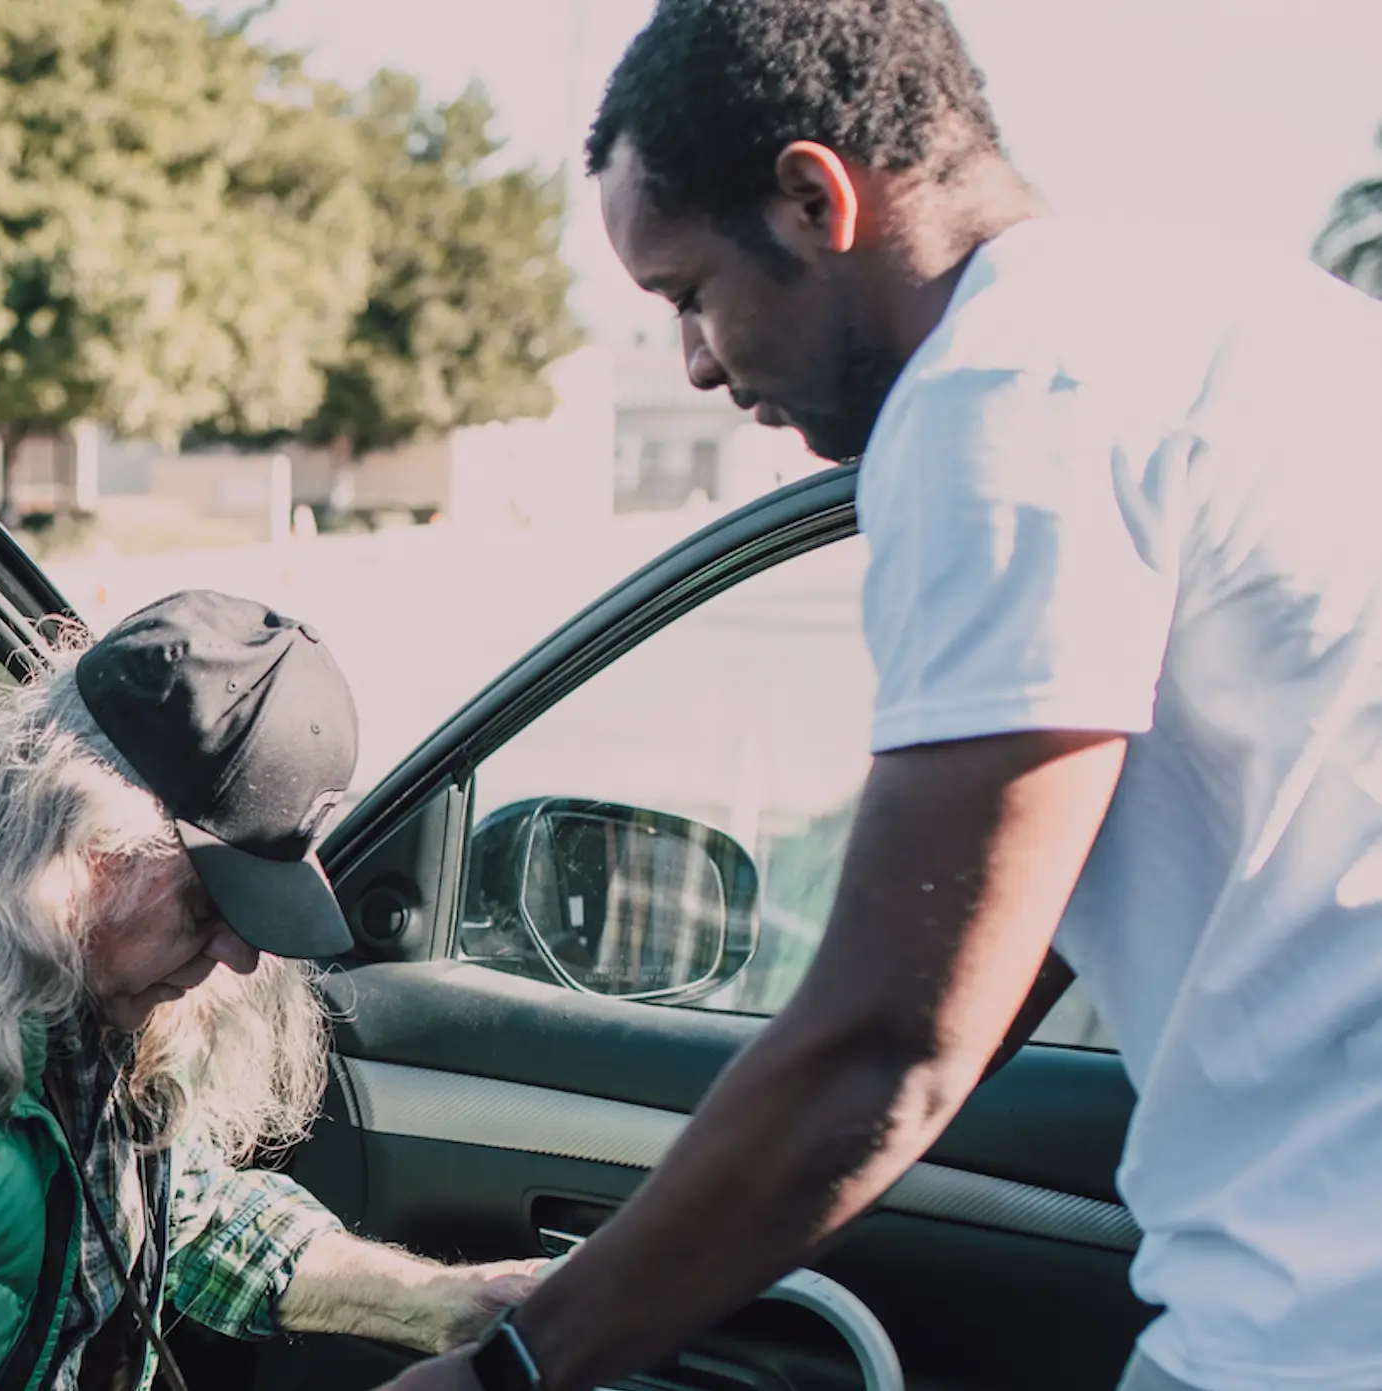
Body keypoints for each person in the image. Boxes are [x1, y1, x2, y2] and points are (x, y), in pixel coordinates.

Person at [380, 3, 1382, 1391]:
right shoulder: (1255, 320)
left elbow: (888, 1038)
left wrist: (509, 1368)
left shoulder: (1002, 402)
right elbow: (995, 929)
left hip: (1317, 1320)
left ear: (813, 196)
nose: (696, 362)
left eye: (686, 292)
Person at [0, 590, 539, 1391]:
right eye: (209, 903)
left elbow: (178, 1208)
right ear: (83, 836)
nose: (238, 955)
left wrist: (441, 1302)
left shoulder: (84, 965)